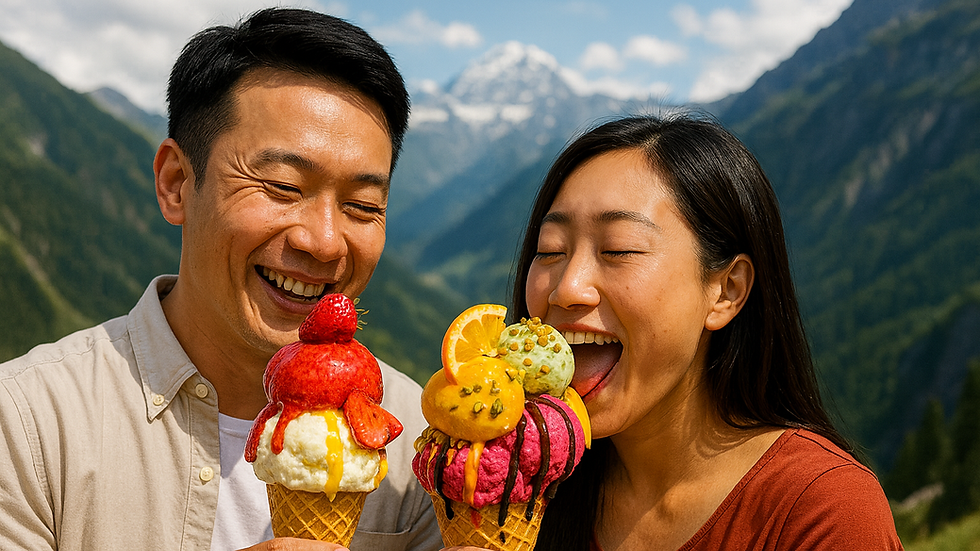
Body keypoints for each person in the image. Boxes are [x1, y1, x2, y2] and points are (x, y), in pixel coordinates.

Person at [0, 8, 441, 551]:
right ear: (177, 183)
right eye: (282, 186)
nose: (324, 241)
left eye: (362, 204)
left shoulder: (421, 440)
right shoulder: (26, 426)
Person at [465, 114, 902, 550]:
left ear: (726, 291)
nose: (567, 289)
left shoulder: (825, 512)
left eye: (618, 248)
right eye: (550, 251)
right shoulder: (515, 483)